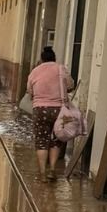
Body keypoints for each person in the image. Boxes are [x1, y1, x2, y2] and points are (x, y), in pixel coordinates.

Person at [26, 45, 76, 181]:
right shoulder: (61, 69)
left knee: (41, 141)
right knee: (55, 140)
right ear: (54, 58)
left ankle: (42, 173)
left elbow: (30, 91)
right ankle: (52, 169)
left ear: (42, 59)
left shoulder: (35, 72)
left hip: (39, 109)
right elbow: (70, 85)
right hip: (58, 110)